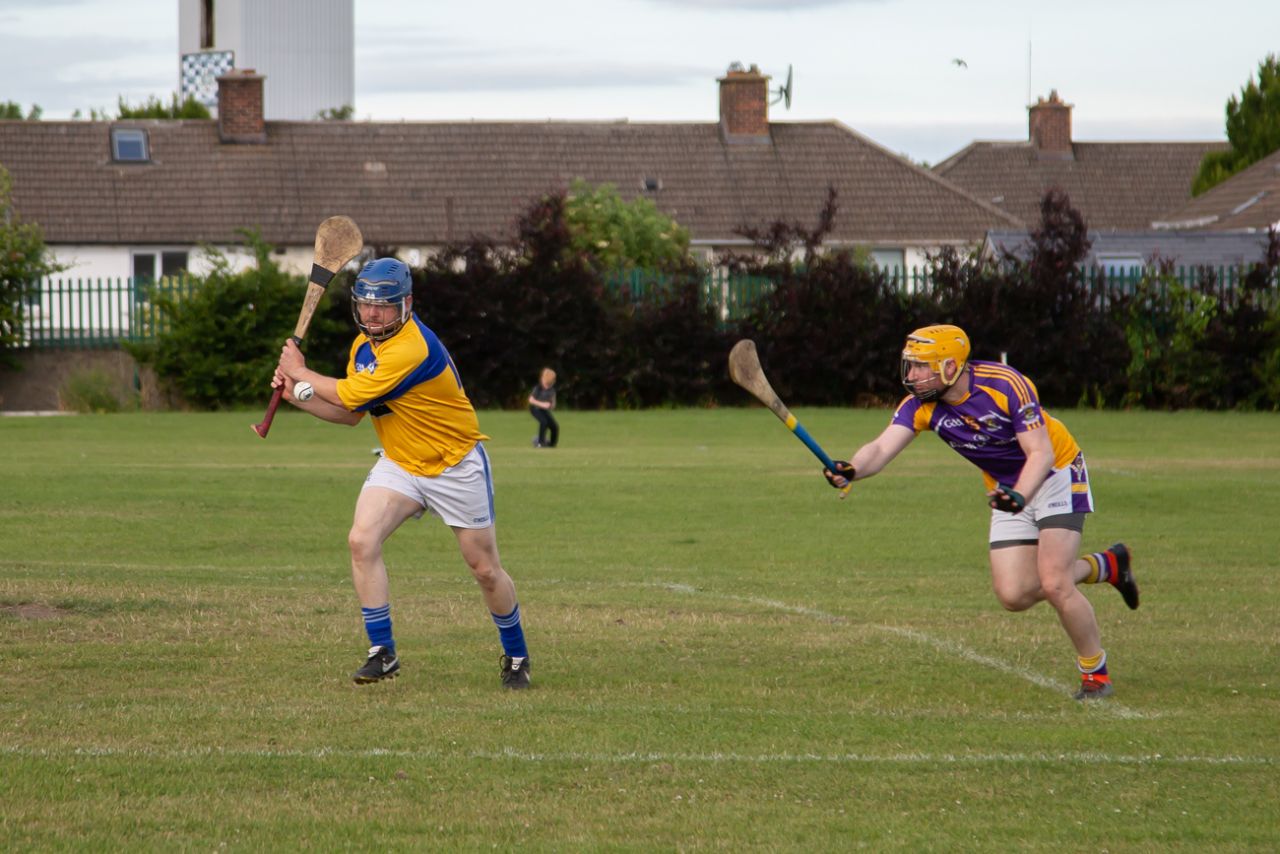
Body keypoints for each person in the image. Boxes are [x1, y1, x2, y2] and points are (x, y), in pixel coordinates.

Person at [824, 324, 1139, 701]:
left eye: (921, 367)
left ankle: (1095, 674)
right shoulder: (920, 406)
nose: (911, 376)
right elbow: (878, 449)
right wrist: (852, 470)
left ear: (951, 367)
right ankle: (1106, 566)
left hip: (1055, 474)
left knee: (1054, 583)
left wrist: (1021, 496)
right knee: (1014, 594)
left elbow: (1041, 453)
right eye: (909, 366)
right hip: (1006, 489)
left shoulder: (1006, 384)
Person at [272, 257, 531, 689]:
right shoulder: (363, 347)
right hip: (401, 463)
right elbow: (351, 413)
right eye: (367, 304)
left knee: (484, 569)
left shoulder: (413, 347)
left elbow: (349, 391)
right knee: (361, 539)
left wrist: (299, 372)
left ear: (406, 304)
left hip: (453, 465)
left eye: (385, 305)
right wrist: (293, 396)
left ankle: (518, 655)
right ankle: (382, 651)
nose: (374, 314)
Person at [527, 367, 558, 448]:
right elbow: (531, 400)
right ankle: (540, 443)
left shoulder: (551, 390)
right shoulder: (538, 388)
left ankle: (552, 444)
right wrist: (542, 404)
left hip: (544, 410)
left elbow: (552, 404)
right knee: (544, 422)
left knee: (554, 426)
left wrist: (552, 405)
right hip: (535, 409)